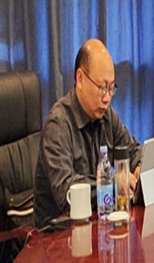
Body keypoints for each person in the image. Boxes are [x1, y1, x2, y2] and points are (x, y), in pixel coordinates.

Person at [34, 39, 142, 229]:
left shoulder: (106, 115)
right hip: (57, 234)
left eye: (111, 88)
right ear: (80, 79)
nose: (107, 98)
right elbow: (66, 193)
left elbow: (132, 150)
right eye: (102, 88)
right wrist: (113, 183)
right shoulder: (57, 125)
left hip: (95, 225)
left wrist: (140, 166)